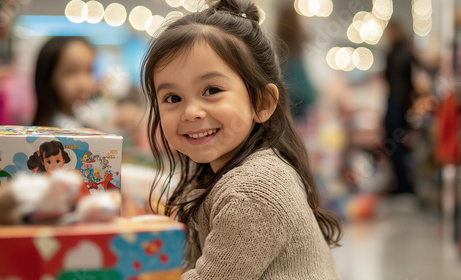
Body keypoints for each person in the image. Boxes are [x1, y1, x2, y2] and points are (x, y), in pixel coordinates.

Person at [141, 0, 342, 279]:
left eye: (211, 90)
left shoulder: (253, 191)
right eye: (173, 98)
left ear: (262, 103)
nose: (191, 112)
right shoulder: (217, 172)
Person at [32, 36, 95, 128]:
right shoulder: (46, 133)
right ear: (48, 76)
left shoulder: (86, 120)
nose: (83, 84)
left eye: (88, 70)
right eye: (70, 72)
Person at [383, 21, 416, 194]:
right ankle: (402, 184)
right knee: (396, 146)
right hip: (398, 102)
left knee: (395, 146)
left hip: (396, 103)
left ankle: (404, 185)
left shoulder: (397, 53)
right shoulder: (404, 52)